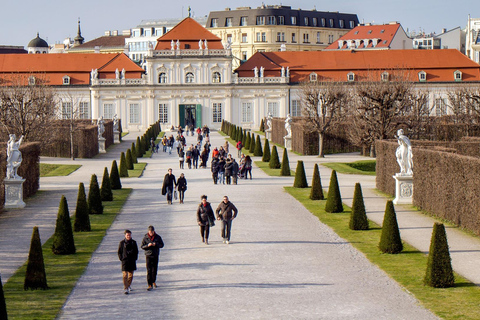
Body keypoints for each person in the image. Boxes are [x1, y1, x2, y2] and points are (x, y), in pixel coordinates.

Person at [141, 226, 164, 291]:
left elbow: (162, 245)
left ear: (154, 231)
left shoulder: (158, 237)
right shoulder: (145, 237)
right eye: (150, 232)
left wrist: (156, 244)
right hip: (148, 255)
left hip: (155, 254)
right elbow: (142, 246)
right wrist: (147, 245)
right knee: (149, 270)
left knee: (154, 269)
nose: (151, 233)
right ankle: (149, 284)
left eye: (152, 232)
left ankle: (154, 280)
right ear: (148, 231)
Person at [118, 229, 138, 294]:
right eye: (127, 235)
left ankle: (128, 285)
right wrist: (121, 258)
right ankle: (126, 288)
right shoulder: (122, 243)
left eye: (129, 235)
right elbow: (119, 252)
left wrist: (135, 258)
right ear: (125, 235)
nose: (128, 236)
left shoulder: (133, 242)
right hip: (125, 261)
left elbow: (136, 251)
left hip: (131, 261)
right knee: (124, 275)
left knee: (130, 275)